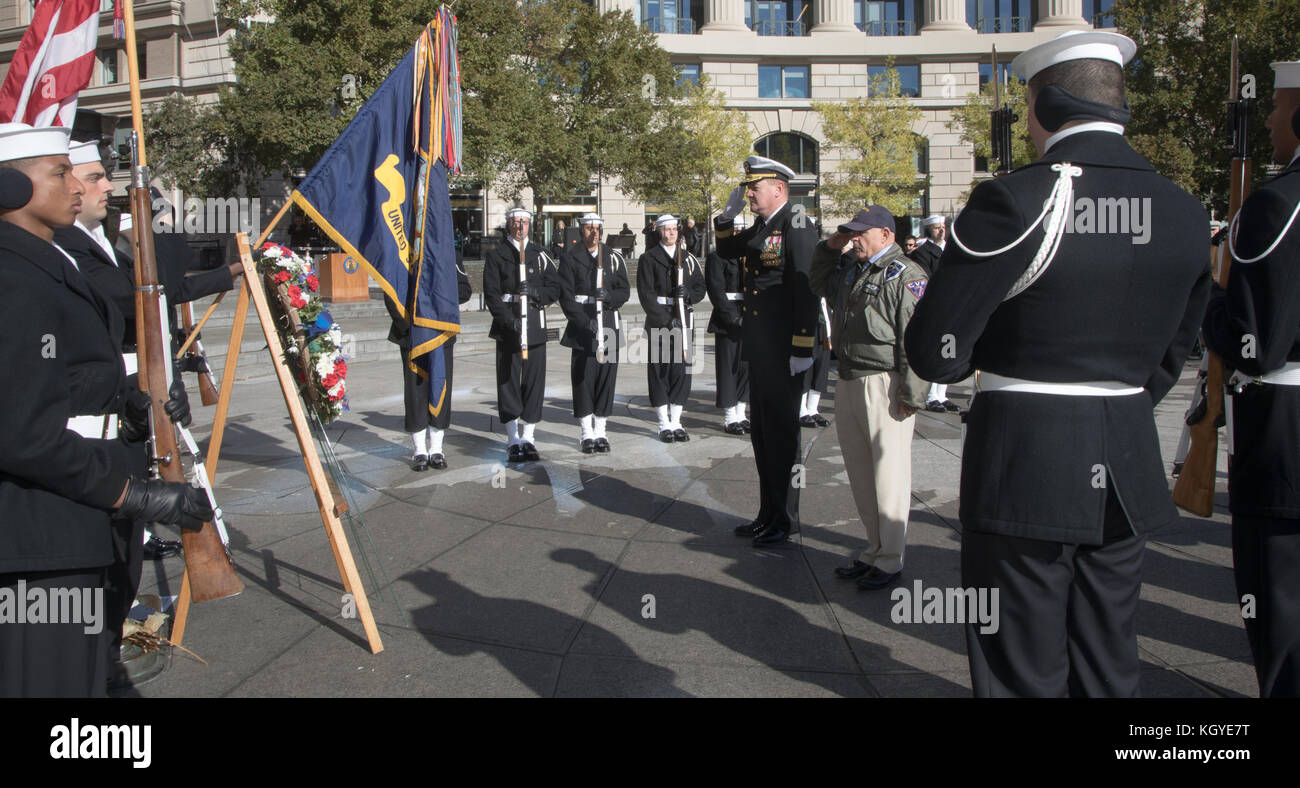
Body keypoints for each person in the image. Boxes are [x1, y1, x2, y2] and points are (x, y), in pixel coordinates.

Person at [904, 31, 1211, 697]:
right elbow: (1176, 348)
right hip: (1127, 454)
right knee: (1108, 660)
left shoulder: (1015, 199)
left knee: (1021, 667)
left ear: (1043, 107)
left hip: (1026, 458)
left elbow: (937, 352)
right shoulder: (1188, 212)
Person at [0, 122, 211, 697]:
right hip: (43, 530)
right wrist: (131, 496)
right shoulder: (12, 275)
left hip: (81, 505)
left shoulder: (47, 259)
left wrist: (132, 407)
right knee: (53, 684)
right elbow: (20, 432)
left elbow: (73, 380)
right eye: (59, 172)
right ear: (10, 188)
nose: (76, 184)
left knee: (90, 675)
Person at [1201, 59, 1300, 697]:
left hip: (1286, 430)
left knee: (1280, 607)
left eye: (1279, 106)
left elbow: (1254, 342)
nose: (1267, 119)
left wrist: (1211, 295)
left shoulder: (1279, 203)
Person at [810, 206, 928, 589]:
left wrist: (911, 392)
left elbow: (914, 338)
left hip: (885, 383)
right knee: (862, 474)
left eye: (861, 232)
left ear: (886, 235)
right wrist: (832, 245)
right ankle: (874, 549)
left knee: (888, 474)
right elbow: (818, 280)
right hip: (849, 377)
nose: (854, 238)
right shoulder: (852, 270)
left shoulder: (906, 275)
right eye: (851, 232)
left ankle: (890, 560)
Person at [713, 155, 820, 546]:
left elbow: (806, 286)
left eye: (753, 188)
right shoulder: (765, 225)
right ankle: (767, 512)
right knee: (761, 433)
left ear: (779, 188)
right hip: (761, 349)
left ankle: (785, 517)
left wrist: (802, 345)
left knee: (782, 435)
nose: (749, 195)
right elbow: (725, 252)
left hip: (784, 350)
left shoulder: (796, 224)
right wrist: (726, 217)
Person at [483, 207, 559, 462]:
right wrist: (509, 320)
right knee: (509, 383)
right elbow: (492, 295)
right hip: (509, 327)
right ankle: (513, 438)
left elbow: (555, 288)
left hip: (535, 325)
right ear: (509, 226)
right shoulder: (497, 256)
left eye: (524, 222)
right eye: (516, 222)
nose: (520, 227)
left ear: (530, 225)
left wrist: (537, 292)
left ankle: (529, 437)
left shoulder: (539, 255)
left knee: (534, 383)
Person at [385, 254, 472, 471]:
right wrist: (406, 325)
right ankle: (419, 450)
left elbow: (464, 290)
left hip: (440, 332)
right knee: (415, 392)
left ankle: (436, 449)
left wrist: (440, 295)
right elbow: (390, 292)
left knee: (440, 388)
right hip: (412, 334)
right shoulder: (401, 254)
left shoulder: (447, 254)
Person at [557, 213, 630, 453]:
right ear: (581, 231)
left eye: (597, 228)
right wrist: (582, 322)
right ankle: (586, 432)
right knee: (584, 380)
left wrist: (609, 298)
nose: (594, 232)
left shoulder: (612, 257)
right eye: (589, 228)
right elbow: (566, 296)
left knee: (606, 380)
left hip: (608, 322)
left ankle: (601, 431)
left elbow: (624, 291)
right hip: (583, 326)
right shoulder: (570, 258)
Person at [637, 214, 705, 441]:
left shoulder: (687, 258)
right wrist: (665, 320)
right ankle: (663, 422)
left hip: (683, 319)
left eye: (675, 229)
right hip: (660, 321)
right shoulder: (649, 258)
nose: (672, 233)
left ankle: (676, 421)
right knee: (659, 371)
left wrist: (688, 295)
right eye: (667, 229)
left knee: (680, 371)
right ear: (659, 231)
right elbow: (646, 295)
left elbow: (700, 288)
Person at [705, 215, 750, 435]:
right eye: (736, 230)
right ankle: (730, 416)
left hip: (750, 315)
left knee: (746, 367)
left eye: (743, 230)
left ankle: (742, 412)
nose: (739, 233)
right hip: (728, 318)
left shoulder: (751, 256)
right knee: (728, 368)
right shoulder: (717, 257)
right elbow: (716, 290)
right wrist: (731, 317)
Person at [798, 300, 831, 428]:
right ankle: (801, 410)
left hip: (824, 322)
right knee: (806, 370)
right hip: (808, 322)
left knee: (821, 368)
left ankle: (812, 409)